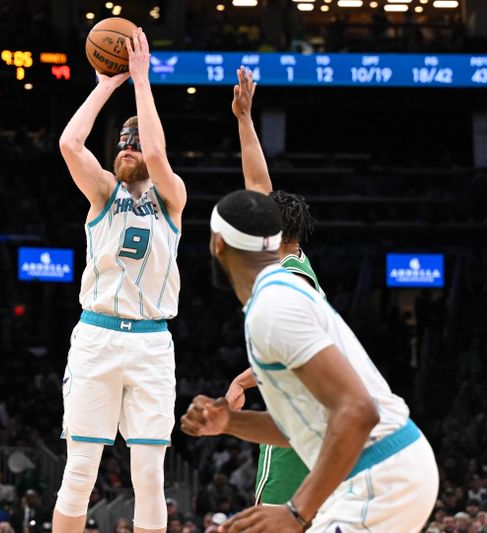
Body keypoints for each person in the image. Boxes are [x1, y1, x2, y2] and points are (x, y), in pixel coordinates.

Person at [181, 189, 438, 532]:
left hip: (378, 475)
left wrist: (296, 512)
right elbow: (301, 430)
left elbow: (359, 411)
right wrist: (228, 422)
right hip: (384, 471)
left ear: (218, 244)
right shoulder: (277, 294)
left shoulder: (273, 307)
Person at [55, 28, 187, 533]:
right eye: (122, 143)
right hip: (97, 335)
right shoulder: (103, 193)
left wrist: (141, 81)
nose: (129, 149)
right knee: (80, 470)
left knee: (149, 475)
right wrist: (107, 86)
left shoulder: (172, 195)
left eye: (136, 143)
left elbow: (157, 156)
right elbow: (69, 142)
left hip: (152, 343)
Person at [223, 66, 322, 506]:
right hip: (320, 411)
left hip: (302, 412)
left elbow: (292, 351)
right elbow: (259, 186)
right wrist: (244, 119)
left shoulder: (287, 278)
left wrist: (245, 382)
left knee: (269, 515)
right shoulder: (292, 262)